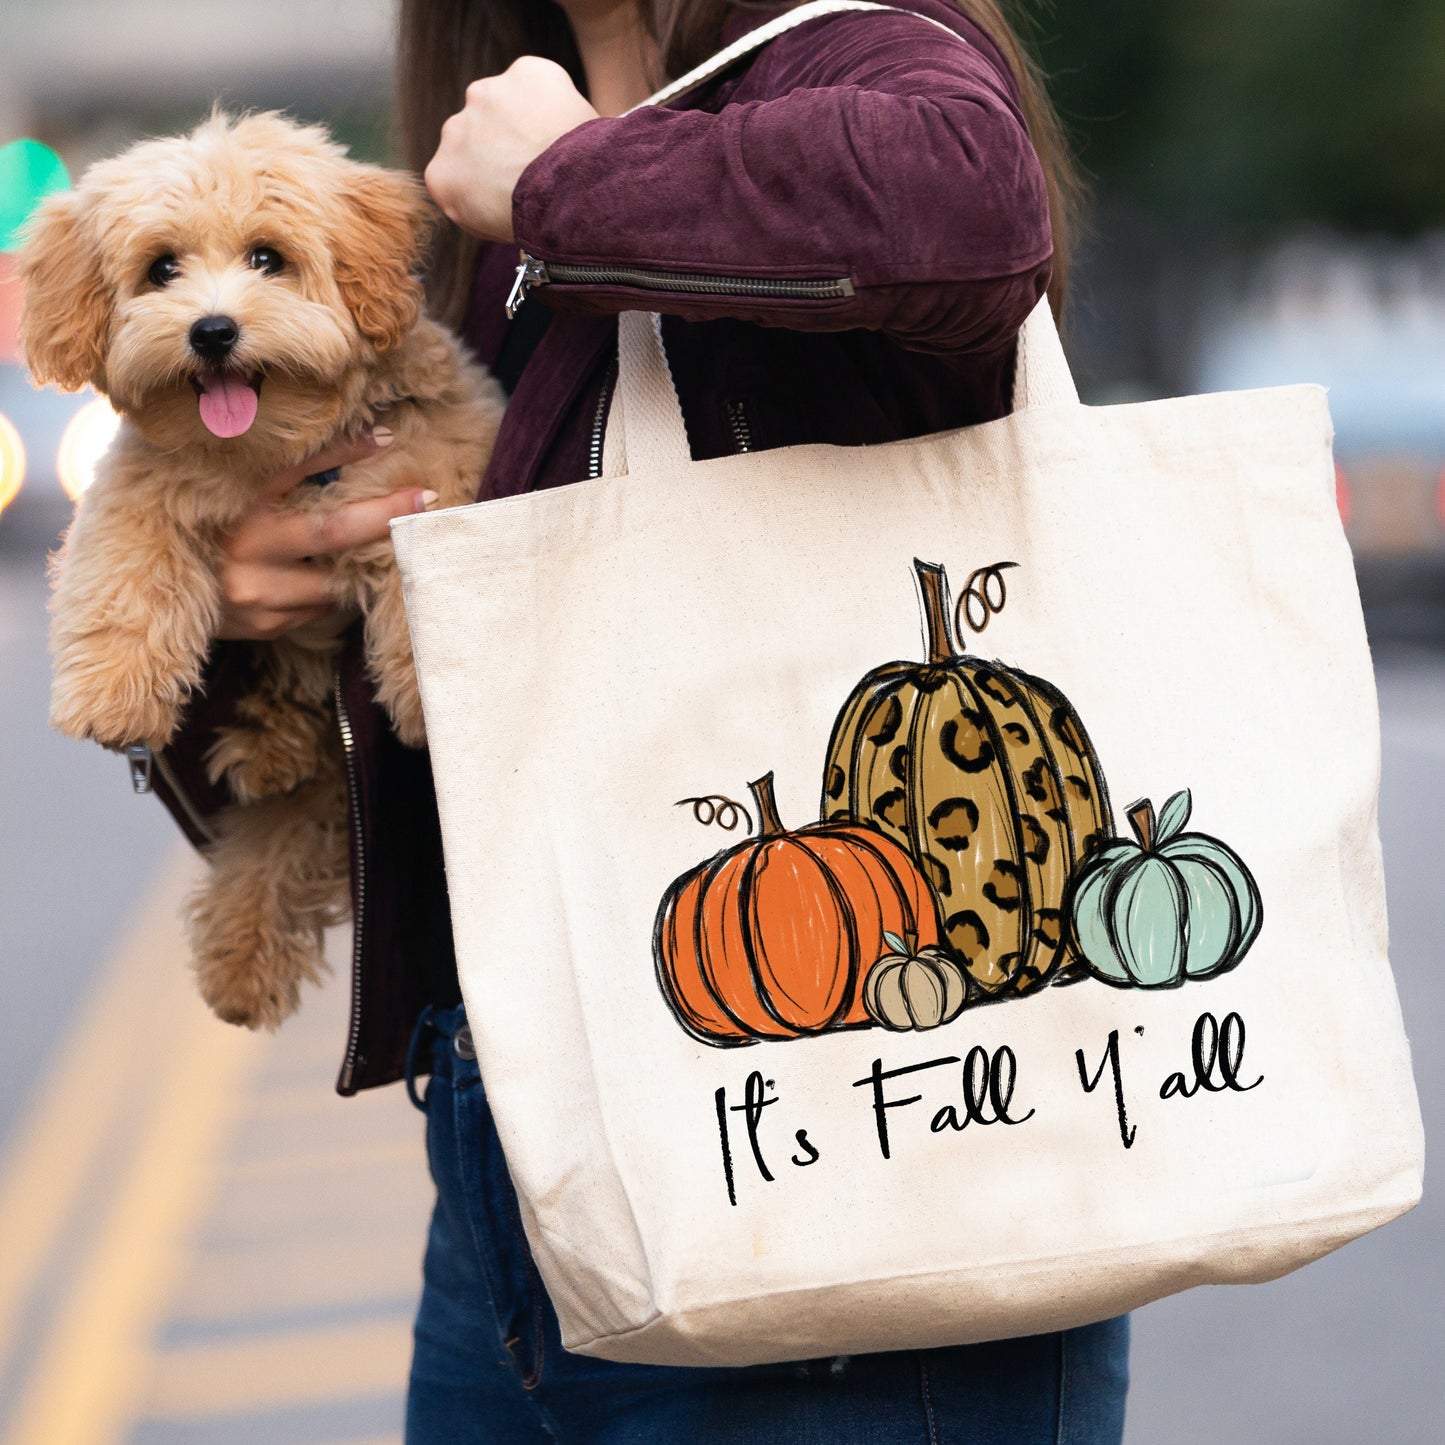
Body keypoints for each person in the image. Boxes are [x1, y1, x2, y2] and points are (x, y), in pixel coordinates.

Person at [152, 1, 1130, 1439]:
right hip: (511, 1178)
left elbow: (974, 207)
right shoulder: (480, 175)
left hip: (853, 1162)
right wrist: (241, 624)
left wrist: (570, 182)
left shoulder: (845, 45)